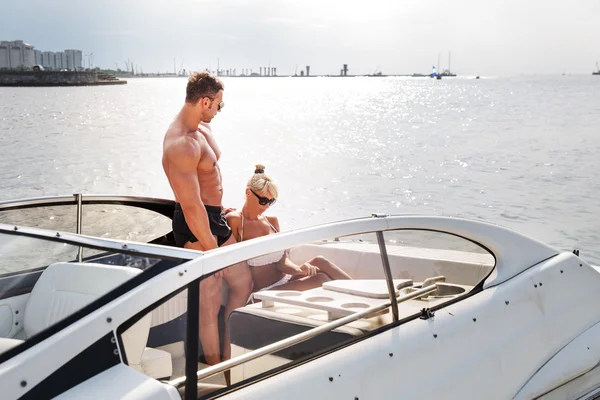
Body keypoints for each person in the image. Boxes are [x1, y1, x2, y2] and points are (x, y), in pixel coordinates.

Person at [162, 71, 253, 366]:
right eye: (219, 105)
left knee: (242, 281)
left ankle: (229, 354)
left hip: (213, 215)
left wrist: (221, 207)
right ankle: (215, 369)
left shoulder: (203, 128)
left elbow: (207, 181)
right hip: (195, 224)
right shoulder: (181, 144)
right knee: (210, 300)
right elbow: (191, 206)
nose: (219, 110)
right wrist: (212, 252)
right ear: (205, 101)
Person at [227, 164, 352, 295]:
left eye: (271, 201)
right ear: (248, 192)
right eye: (263, 200)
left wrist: (299, 270)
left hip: (284, 281)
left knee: (320, 261)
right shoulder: (236, 221)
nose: (267, 206)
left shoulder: (271, 221)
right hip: (263, 291)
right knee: (320, 279)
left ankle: (365, 296)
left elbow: (281, 262)